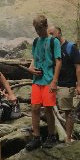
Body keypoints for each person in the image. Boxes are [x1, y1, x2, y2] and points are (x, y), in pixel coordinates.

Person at [26, 15, 61, 150]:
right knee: (34, 108)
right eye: (36, 30)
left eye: (40, 29)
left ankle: (51, 136)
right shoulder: (36, 42)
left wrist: (54, 81)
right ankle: (36, 137)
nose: (38, 32)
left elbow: (58, 62)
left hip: (48, 80)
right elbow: (34, 59)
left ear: (45, 27)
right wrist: (31, 68)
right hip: (37, 80)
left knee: (48, 108)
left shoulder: (54, 42)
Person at [49, 26, 80, 143]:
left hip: (67, 84)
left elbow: (78, 67)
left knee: (68, 111)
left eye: (52, 34)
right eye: (49, 34)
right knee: (48, 108)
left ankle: (68, 138)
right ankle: (52, 135)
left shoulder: (70, 48)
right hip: (52, 83)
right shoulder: (52, 47)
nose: (50, 36)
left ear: (59, 33)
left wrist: (79, 85)